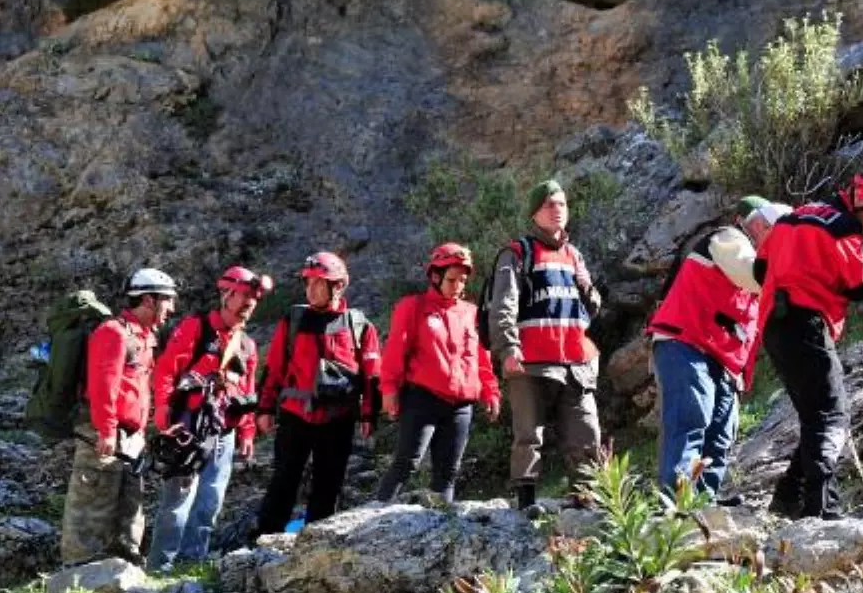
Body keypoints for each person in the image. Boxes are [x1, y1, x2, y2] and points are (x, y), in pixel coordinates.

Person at [754, 167, 863, 520]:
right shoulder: (844, 229)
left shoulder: (794, 216)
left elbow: (760, 270)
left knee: (815, 416)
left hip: (774, 328)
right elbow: (861, 286)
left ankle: (788, 497)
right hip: (806, 324)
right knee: (832, 414)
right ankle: (822, 509)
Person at [646, 196, 790, 498]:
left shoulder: (755, 263)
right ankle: (677, 502)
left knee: (721, 434)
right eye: (773, 230)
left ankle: (703, 501)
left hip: (721, 358)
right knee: (691, 419)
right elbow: (752, 275)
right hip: (687, 343)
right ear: (756, 224)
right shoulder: (730, 239)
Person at [147, 266, 271, 572]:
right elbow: (166, 370)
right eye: (244, 296)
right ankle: (161, 566)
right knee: (177, 501)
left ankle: (191, 565)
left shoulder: (247, 345)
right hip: (189, 426)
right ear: (226, 295)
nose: (250, 303)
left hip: (225, 432)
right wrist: (163, 408)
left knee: (210, 502)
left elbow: (247, 392)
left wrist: (247, 433)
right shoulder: (195, 328)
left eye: (254, 299)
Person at [488, 180, 603, 511]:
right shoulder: (516, 253)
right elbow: (503, 306)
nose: (557, 210)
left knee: (586, 435)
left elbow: (591, 308)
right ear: (534, 213)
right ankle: (526, 506)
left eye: (562, 204)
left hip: (576, 362)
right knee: (528, 435)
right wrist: (508, 349)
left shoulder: (574, 255)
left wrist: (589, 291)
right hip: (531, 361)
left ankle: (586, 501)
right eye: (549, 205)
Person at [253, 252, 381, 535]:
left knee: (328, 485)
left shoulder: (359, 325)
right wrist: (264, 409)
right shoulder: (294, 320)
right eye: (307, 283)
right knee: (283, 481)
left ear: (338, 286)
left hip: (338, 419)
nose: (310, 290)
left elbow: (371, 375)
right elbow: (274, 368)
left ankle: (318, 542)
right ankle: (265, 540)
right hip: (295, 416)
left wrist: (369, 414)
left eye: (318, 283)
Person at [60, 268, 177, 566]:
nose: (172, 308)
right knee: (91, 506)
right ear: (149, 300)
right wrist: (107, 430)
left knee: (129, 506)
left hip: (131, 438)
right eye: (167, 300)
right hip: (102, 434)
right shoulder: (113, 332)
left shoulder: (146, 336)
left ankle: (125, 569)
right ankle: (77, 572)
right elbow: (104, 387)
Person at [376, 244, 501, 503]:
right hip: (422, 398)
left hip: (461, 405)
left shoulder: (471, 313)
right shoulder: (413, 307)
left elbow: (481, 358)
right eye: (452, 280)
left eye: (463, 281)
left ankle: (443, 522)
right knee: (407, 463)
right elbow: (395, 351)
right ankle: (377, 512)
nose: (458, 286)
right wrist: (389, 389)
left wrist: (491, 392)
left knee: (448, 472)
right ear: (435, 276)